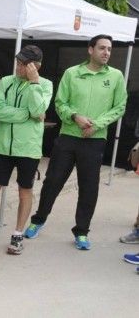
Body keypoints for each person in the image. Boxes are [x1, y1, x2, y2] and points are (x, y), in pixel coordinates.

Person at [24, 34, 128, 250]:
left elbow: (119, 107)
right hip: (68, 138)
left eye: (109, 49)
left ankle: (82, 232)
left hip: (95, 140)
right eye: (102, 48)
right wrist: (75, 117)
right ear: (90, 50)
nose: (106, 52)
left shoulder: (116, 76)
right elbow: (60, 103)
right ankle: (38, 220)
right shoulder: (72, 73)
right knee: (52, 182)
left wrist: (97, 125)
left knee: (89, 188)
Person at [0, 45, 53, 255]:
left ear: (35, 66)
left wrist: (34, 83)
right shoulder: (6, 81)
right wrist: (26, 115)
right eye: (18, 62)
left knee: (24, 192)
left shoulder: (44, 85)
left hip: (28, 148)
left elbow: (39, 110)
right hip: (3, 146)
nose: (18, 66)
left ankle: (18, 234)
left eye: (23, 64)